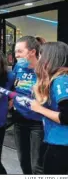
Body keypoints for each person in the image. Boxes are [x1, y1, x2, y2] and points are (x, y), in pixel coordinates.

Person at [30, 42, 68, 174]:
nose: (38, 60)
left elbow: (66, 117)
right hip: (54, 141)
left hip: (61, 144)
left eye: (40, 56)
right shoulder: (58, 78)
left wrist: (38, 108)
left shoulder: (61, 80)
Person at [11, 36, 45, 174]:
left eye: (20, 51)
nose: (16, 55)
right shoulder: (18, 66)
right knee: (23, 161)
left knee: (36, 164)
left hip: (38, 123)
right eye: (15, 52)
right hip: (19, 121)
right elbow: (12, 85)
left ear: (32, 51)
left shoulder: (44, 68)